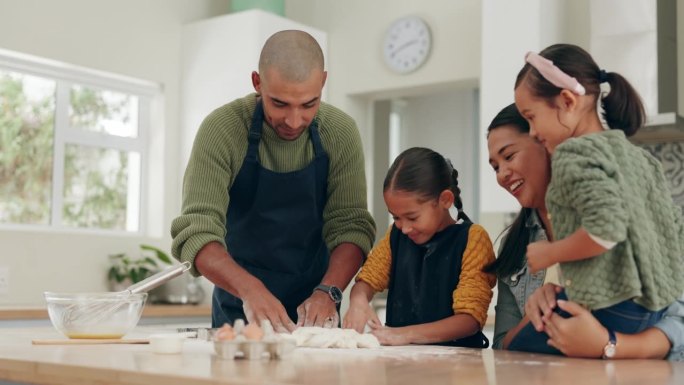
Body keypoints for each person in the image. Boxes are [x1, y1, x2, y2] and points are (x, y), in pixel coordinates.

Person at [171, 30, 376, 332]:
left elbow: (352, 227)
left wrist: (329, 291)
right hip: (239, 305)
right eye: (279, 104)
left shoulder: (340, 132)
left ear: (323, 82)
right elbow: (197, 232)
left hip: (317, 307)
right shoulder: (222, 130)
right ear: (257, 82)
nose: (294, 121)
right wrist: (250, 290)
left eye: (309, 104)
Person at [510, 43, 683, 351]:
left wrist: (551, 253)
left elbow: (606, 230)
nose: (533, 132)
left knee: (515, 350)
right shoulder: (639, 158)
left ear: (566, 101)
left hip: (611, 305)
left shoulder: (572, 154)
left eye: (531, 117)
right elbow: (673, 230)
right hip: (654, 308)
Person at [342, 147, 496, 347]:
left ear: (445, 200)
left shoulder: (472, 239)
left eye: (413, 217)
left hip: (457, 368)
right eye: (396, 217)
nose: (404, 228)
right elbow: (367, 281)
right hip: (400, 364)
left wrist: (405, 335)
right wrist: (359, 300)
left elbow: (469, 320)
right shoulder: (395, 236)